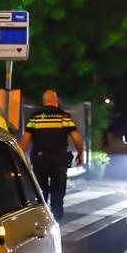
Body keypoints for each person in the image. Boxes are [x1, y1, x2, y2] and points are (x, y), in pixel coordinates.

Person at [20, 90, 84, 220]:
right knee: (58, 191)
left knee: (41, 190)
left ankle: (42, 217)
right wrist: (80, 154)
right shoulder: (63, 117)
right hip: (59, 160)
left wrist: (19, 158)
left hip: (40, 160)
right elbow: (77, 139)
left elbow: (25, 141)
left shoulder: (36, 117)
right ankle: (56, 218)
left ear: (44, 102)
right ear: (55, 101)